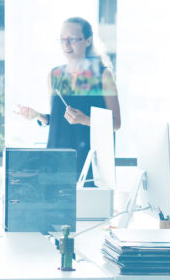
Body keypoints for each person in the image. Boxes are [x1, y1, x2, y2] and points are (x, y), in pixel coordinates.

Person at [15, 17, 121, 179]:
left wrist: (85, 119)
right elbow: (59, 120)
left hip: (89, 165)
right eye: (62, 39)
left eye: (72, 39)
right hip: (56, 163)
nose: (66, 44)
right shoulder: (55, 75)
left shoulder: (102, 75)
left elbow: (115, 123)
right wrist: (40, 116)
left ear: (88, 41)